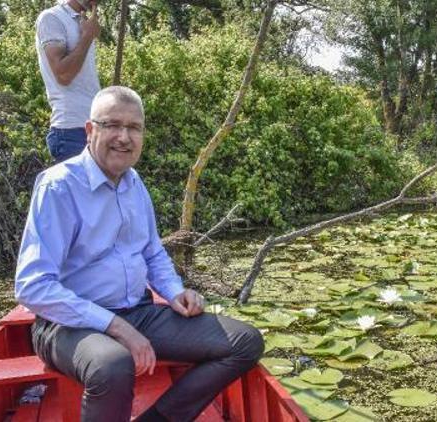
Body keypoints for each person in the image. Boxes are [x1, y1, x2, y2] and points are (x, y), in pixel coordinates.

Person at [14, 86, 264, 422]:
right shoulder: (58, 187)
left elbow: (152, 252)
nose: (124, 137)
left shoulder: (134, 184)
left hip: (138, 311)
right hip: (67, 325)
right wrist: (115, 326)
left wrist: (175, 292)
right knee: (112, 365)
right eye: (112, 125)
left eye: (134, 128)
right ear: (90, 131)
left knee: (244, 342)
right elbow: (32, 286)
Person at [36, 0, 102, 161]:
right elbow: (63, 75)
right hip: (71, 131)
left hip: (93, 127)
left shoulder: (83, 21)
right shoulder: (51, 18)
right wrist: (87, 36)